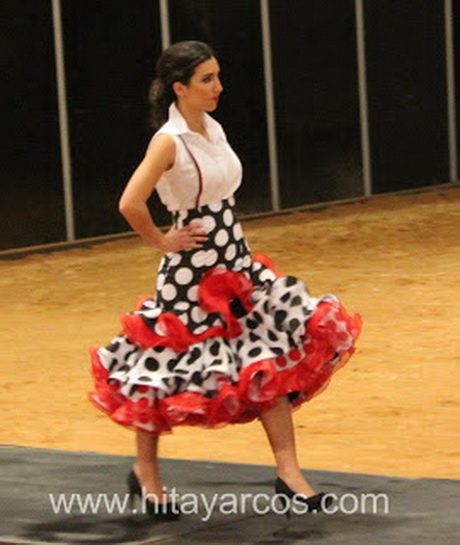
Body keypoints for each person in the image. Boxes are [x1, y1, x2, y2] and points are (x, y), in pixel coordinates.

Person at [88, 40, 362, 519]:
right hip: (191, 278)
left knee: (267, 362)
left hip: (234, 265)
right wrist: (162, 241)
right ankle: (145, 472)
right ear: (180, 88)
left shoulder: (210, 126)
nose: (219, 86)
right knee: (163, 372)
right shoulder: (169, 140)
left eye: (217, 76)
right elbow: (130, 202)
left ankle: (289, 474)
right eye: (207, 79)